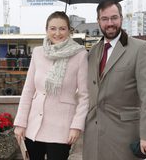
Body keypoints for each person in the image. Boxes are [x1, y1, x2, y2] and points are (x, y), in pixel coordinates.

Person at [83, 0, 146, 160]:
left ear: (121, 18)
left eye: (114, 18)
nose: (110, 23)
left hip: (124, 135)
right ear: (98, 21)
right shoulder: (93, 52)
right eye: (104, 19)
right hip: (93, 136)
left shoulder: (140, 48)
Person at [14, 11, 89, 160]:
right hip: (34, 126)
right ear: (46, 30)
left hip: (62, 128)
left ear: (69, 30)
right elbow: (28, 90)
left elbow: (85, 95)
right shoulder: (38, 52)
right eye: (53, 28)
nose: (57, 33)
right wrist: (20, 123)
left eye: (62, 28)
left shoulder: (80, 55)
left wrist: (76, 126)